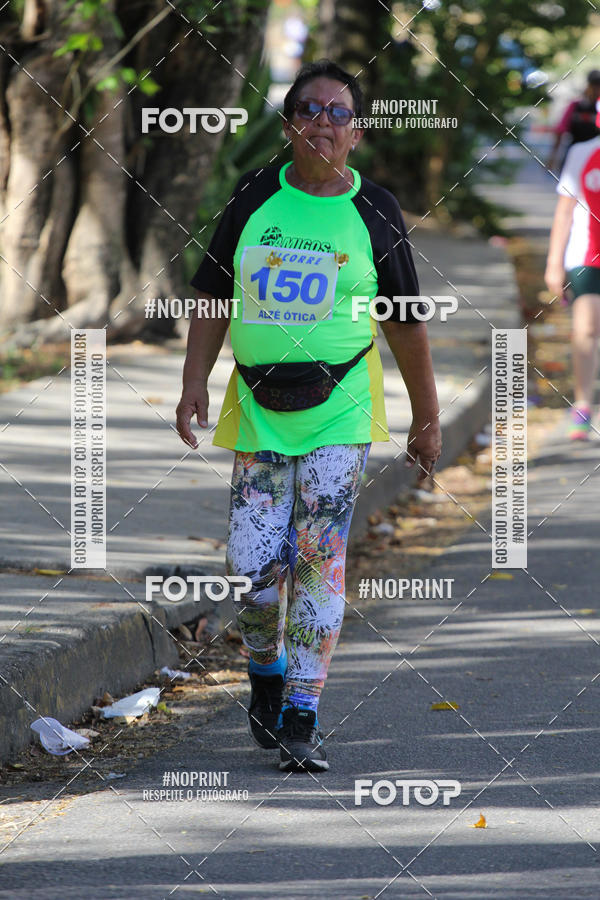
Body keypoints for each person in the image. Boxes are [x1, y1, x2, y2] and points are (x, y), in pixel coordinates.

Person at [176, 59, 441, 772]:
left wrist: (427, 417)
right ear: (289, 122)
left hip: (341, 407)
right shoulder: (256, 192)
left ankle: (302, 715)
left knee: (321, 560)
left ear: (356, 134)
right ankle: (264, 673)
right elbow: (210, 292)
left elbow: (408, 322)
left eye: (339, 113)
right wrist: (193, 379)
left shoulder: (375, 209)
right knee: (256, 568)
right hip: (258, 406)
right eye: (309, 109)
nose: (323, 122)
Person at [545, 131, 600, 439]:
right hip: (587, 256)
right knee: (587, 330)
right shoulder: (583, 152)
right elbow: (564, 211)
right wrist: (554, 263)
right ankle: (583, 404)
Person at [547, 70, 600, 173]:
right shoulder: (575, 106)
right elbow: (560, 131)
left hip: (596, 158)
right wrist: (552, 157)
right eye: (594, 86)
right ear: (589, 86)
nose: (597, 90)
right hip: (575, 155)